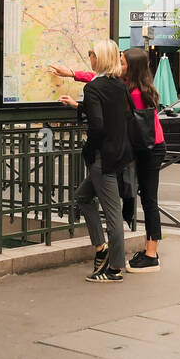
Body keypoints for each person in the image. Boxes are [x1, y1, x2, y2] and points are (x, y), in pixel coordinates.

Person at [61, 40, 133, 281]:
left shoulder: (93, 88)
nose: (89, 57)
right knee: (82, 197)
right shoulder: (118, 86)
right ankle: (101, 249)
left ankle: (114, 269)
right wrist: (80, 107)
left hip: (102, 158)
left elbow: (98, 125)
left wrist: (89, 151)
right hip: (118, 154)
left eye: (92, 54)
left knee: (113, 214)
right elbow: (119, 117)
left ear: (98, 58)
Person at [122, 47, 167, 273]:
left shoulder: (135, 93)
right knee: (147, 198)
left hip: (150, 149)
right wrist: (73, 74)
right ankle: (150, 249)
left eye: (122, 62)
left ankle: (151, 255)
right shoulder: (142, 87)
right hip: (153, 146)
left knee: (149, 200)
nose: (119, 65)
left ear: (131, 67)